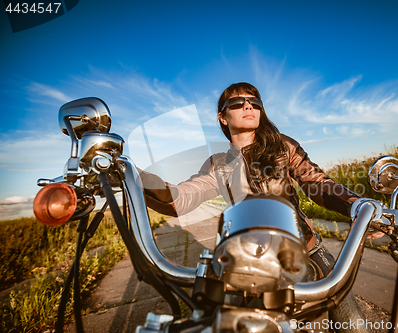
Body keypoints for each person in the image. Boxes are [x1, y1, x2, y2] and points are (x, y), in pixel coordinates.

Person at [139, 82, 371, 333]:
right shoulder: (218, 164)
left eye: (255, 102)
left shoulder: (282, 145)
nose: (248, 105)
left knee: (355, 326)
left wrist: (357, 205)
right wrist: (135, 176)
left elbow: (315, 182)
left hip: (305, 248)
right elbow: (180, 197)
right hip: (246, 261)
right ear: (223, 118)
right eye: (237, 103)